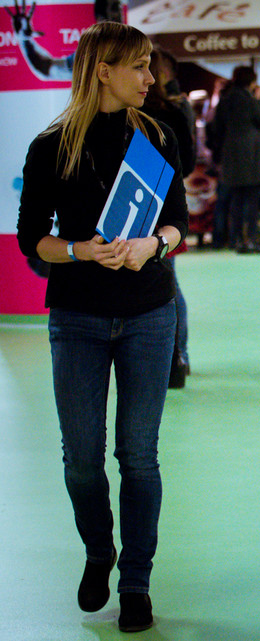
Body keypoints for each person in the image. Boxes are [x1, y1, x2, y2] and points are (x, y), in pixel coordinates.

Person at [16, 21, 188, 632]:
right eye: (138, 67)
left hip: (149, 312)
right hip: (78, 317)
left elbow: (177, 223)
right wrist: (81, 250)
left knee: (138, 456)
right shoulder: (52, 145)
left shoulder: (158, 137)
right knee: (82, 459)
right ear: (102, 71)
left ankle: (136, 583)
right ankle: (98, 550)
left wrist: (154, 247)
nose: (150, 78)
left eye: (150, 66)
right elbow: (31, 241)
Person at [140, 47, 195, 388]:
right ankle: (177, 356)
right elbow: (186, 162)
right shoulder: (172, 112)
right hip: (160, 215)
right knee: (168, 284)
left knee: (167, 284)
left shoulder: (160, 117)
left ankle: (174, 357)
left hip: (158, 218)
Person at [209, 66, 260, 253]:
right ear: (251, 81)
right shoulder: (249, 100)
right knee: (252, 200)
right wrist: (258, 99)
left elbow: (216, 127)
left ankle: (236, 239)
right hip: (252, 155)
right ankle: (251, 239)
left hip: (231, 155)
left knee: (236, 200)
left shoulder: (225, 100)